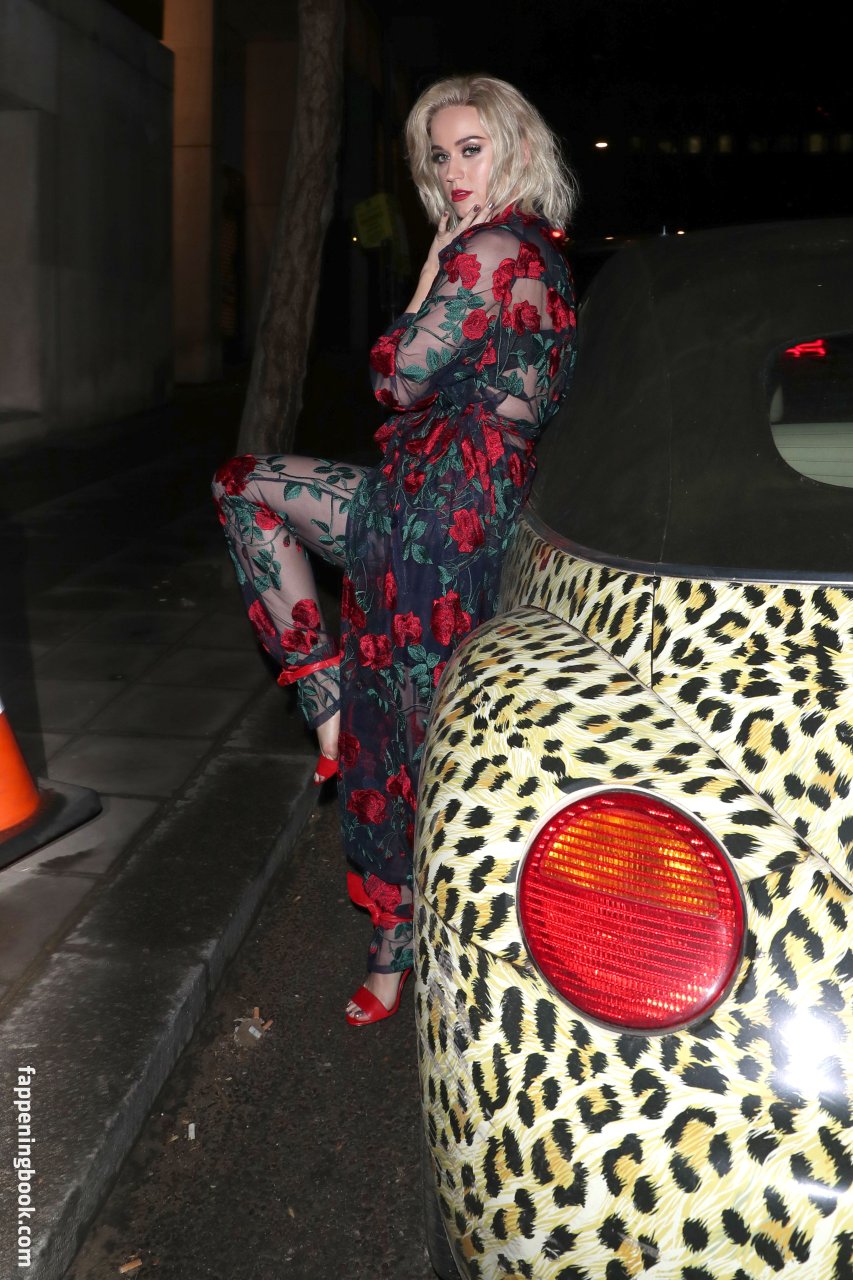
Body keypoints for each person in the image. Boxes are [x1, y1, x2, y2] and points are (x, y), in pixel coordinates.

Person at [212, 74, 578, 1026]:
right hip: (450, 501)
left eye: (471, 149)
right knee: (416, 720)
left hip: (437, 515)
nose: (453, 171)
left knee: (413, 732)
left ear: (515, 148)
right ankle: (332, 711)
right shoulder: (542, 250)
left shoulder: (486, 252)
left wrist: (427, 271)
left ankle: (407, 947)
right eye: (439, 154)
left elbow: (395, 377)